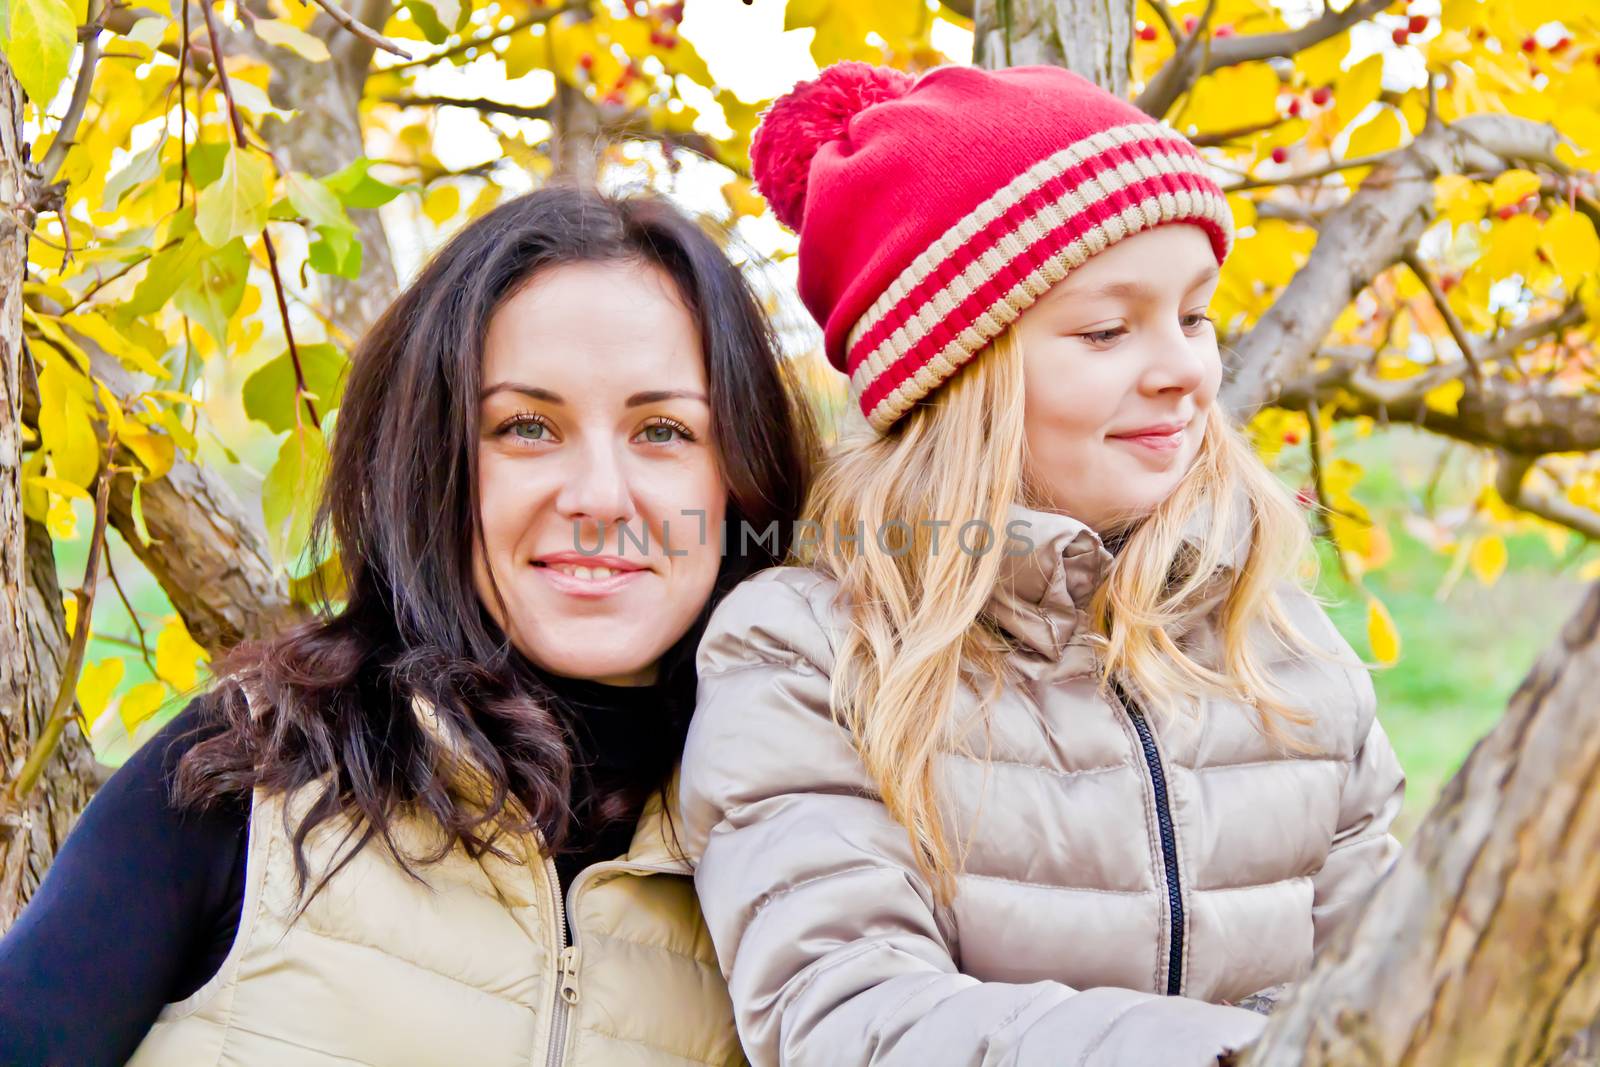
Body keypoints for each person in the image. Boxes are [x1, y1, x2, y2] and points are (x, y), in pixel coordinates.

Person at [678, 62, 1405, 1067]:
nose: (1183, 368)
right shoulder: (810, 652)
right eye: (1107, 329)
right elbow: (849, 1014)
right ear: (956, 375)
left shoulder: (1277, 642)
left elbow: (1402, 962)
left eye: (1193, 315)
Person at [0, 185, 815, 1066]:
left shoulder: (797, 860)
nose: (598, 498)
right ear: (436, 460)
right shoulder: (245, 778)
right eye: (527, 426)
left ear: (740, 481)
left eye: (661, 430)